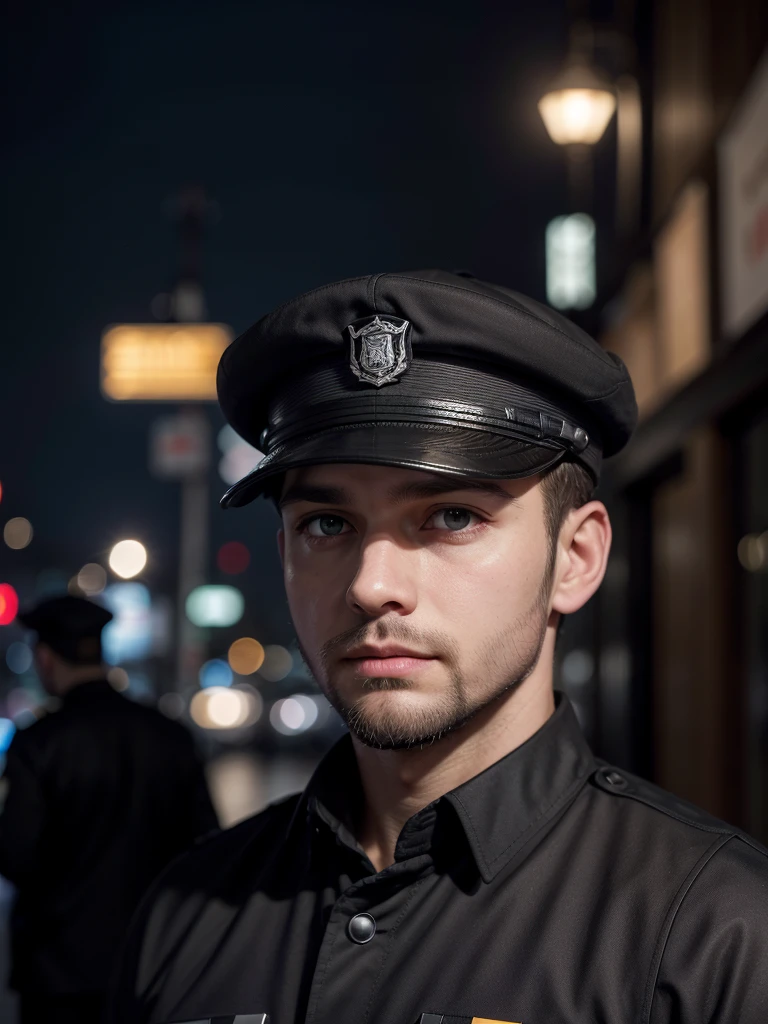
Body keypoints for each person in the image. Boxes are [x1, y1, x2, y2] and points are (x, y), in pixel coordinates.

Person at [109, 269, 768, 1024]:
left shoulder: (717, 939)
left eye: (452, 515)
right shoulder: (184, 916)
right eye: (327, 524)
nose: (371, 584)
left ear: (576, 559)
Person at [0, 594, 218, 1024]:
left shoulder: (39, 743)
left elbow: (15, 855)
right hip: (152, 962)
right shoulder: (170, 736)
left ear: (45, 658)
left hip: (57, 972)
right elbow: (207, 847)